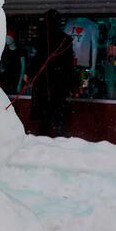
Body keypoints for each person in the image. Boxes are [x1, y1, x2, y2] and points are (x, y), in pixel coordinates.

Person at [26, 9, 76, 137]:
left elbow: (37, 58)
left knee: (44, 117)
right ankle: (61, 140)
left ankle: (44, 141)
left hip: (45, 82)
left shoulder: (43, 39)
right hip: (59, 82)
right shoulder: (66, 39)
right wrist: (72, 83)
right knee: (58, 114)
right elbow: (69, 63)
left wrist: (29, 73)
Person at [0, 29, 26, 95]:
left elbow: (23, 68)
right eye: (5, 37)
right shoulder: (4, 52)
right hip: (6, 81)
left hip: (15, 80)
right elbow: (1, 67)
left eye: (8, 37)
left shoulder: (20, 51)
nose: (6, 39)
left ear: (13, 38)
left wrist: (19, 83)